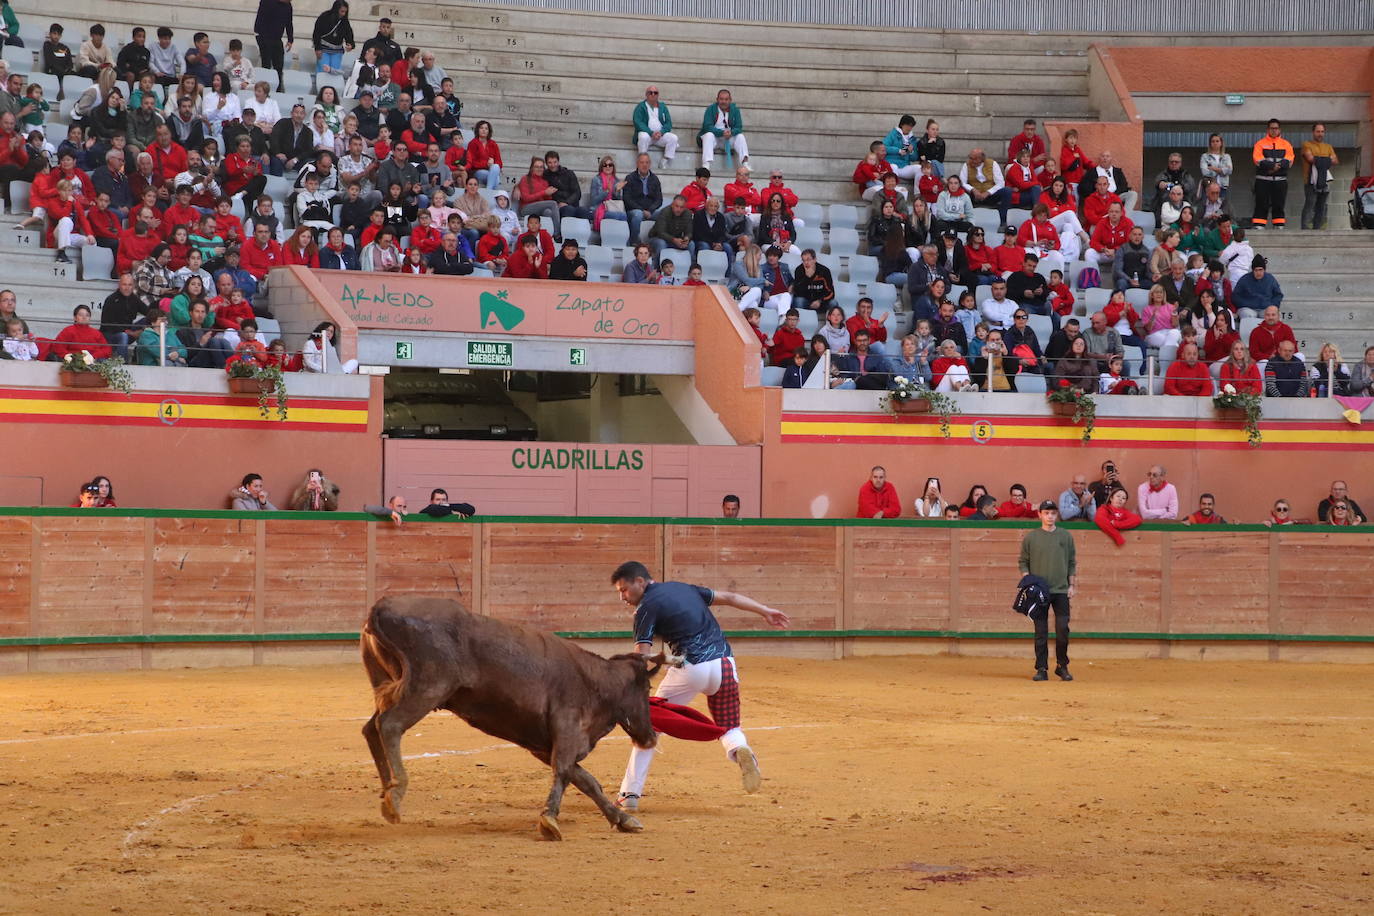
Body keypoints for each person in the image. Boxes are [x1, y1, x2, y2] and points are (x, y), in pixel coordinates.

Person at [611, 560, 789, 812]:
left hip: (690, 667)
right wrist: (765, 611)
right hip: (725, 665)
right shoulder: (684, 588)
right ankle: (740, 750)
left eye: (624, 590)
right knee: (729, 726)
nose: (622, 597)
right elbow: (729, 596)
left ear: (640, 582)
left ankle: (629, 793)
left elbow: (641, 656)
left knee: (650, 724)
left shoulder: (646, 608)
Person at [1018, 500, 1077, 681]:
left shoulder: (1065, 536)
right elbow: (1023, 562)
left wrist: (1072, 585)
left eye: (1053, 513)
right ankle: (1041, 668)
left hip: (1060, 590)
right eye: (1046, 513)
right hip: (1040, 591)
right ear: (1040, 515)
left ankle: (1062, 665)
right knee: (1041, 631)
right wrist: (1029, 582)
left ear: (1056, 515)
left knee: (1062, 629)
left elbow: (1071, 562)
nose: (1050, 516)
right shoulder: (1031, 538)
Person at [1251, 118, 1294, 229]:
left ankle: (1279, 226)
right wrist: (1271, 166)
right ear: (1268, 129)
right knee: (1261, 204)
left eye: (1276, 128)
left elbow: (1289, 159)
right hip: (1263, 181)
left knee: (1279, 205)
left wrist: (1276, 167)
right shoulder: (1260, 144)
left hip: (1280, 181)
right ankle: (1259, 226)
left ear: (1280, 130)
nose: (1274, 130)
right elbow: (1257, 159)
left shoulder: (1286, 144)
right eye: (1272, 128)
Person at [1299, 122, 1338, 231]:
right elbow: (1310, 158)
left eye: (1322, 131)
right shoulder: (1307, 144)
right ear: (1313, 132)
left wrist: (1318, 159)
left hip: (1324, 180)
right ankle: (1305, 229)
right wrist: (1327, 159)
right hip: (1310, 181)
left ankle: (1318, 229)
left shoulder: (1328, 147)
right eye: (1318, 131)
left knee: (1322, 206)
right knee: (1310, 205)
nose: (1320, 134)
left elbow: (1335, 160)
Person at [698, 88, 747, 168]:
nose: (723, 101)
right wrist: (721, 133)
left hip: (728, 138)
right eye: (721, 99)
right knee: (708, 135)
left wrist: (732, 133)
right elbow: (707, 126)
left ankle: (745, 164)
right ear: (717, 99)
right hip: (715, 139)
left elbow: (739, 127)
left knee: (740, 136)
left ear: (730, 100)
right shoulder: (710, 109)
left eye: (726, 99)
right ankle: (706, 165)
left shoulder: (735, 110)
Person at [254, 0, 295, 93]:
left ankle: (278, 89)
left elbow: (289, 22)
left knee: (279, 66)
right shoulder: (267, 2)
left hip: (277, 38)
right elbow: (261, 19)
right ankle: (264, 89)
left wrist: (290, 39)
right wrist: (260, 37)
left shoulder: (288, 6)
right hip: (264, 37)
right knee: (266, 64)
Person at [632, 85, 677, 166]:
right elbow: (638, 122)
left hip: (660, 136)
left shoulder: (663, 107)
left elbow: (668, 123)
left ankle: (665, 160)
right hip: (648, 135)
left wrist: (661, 132)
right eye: (650, 93)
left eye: (655, 93)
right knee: (643, 136)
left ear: (658, 95)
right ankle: (642, 161)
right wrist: (651, 133)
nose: (653, 94)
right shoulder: (641, 107)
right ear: (646, 94)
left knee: (673, 138)